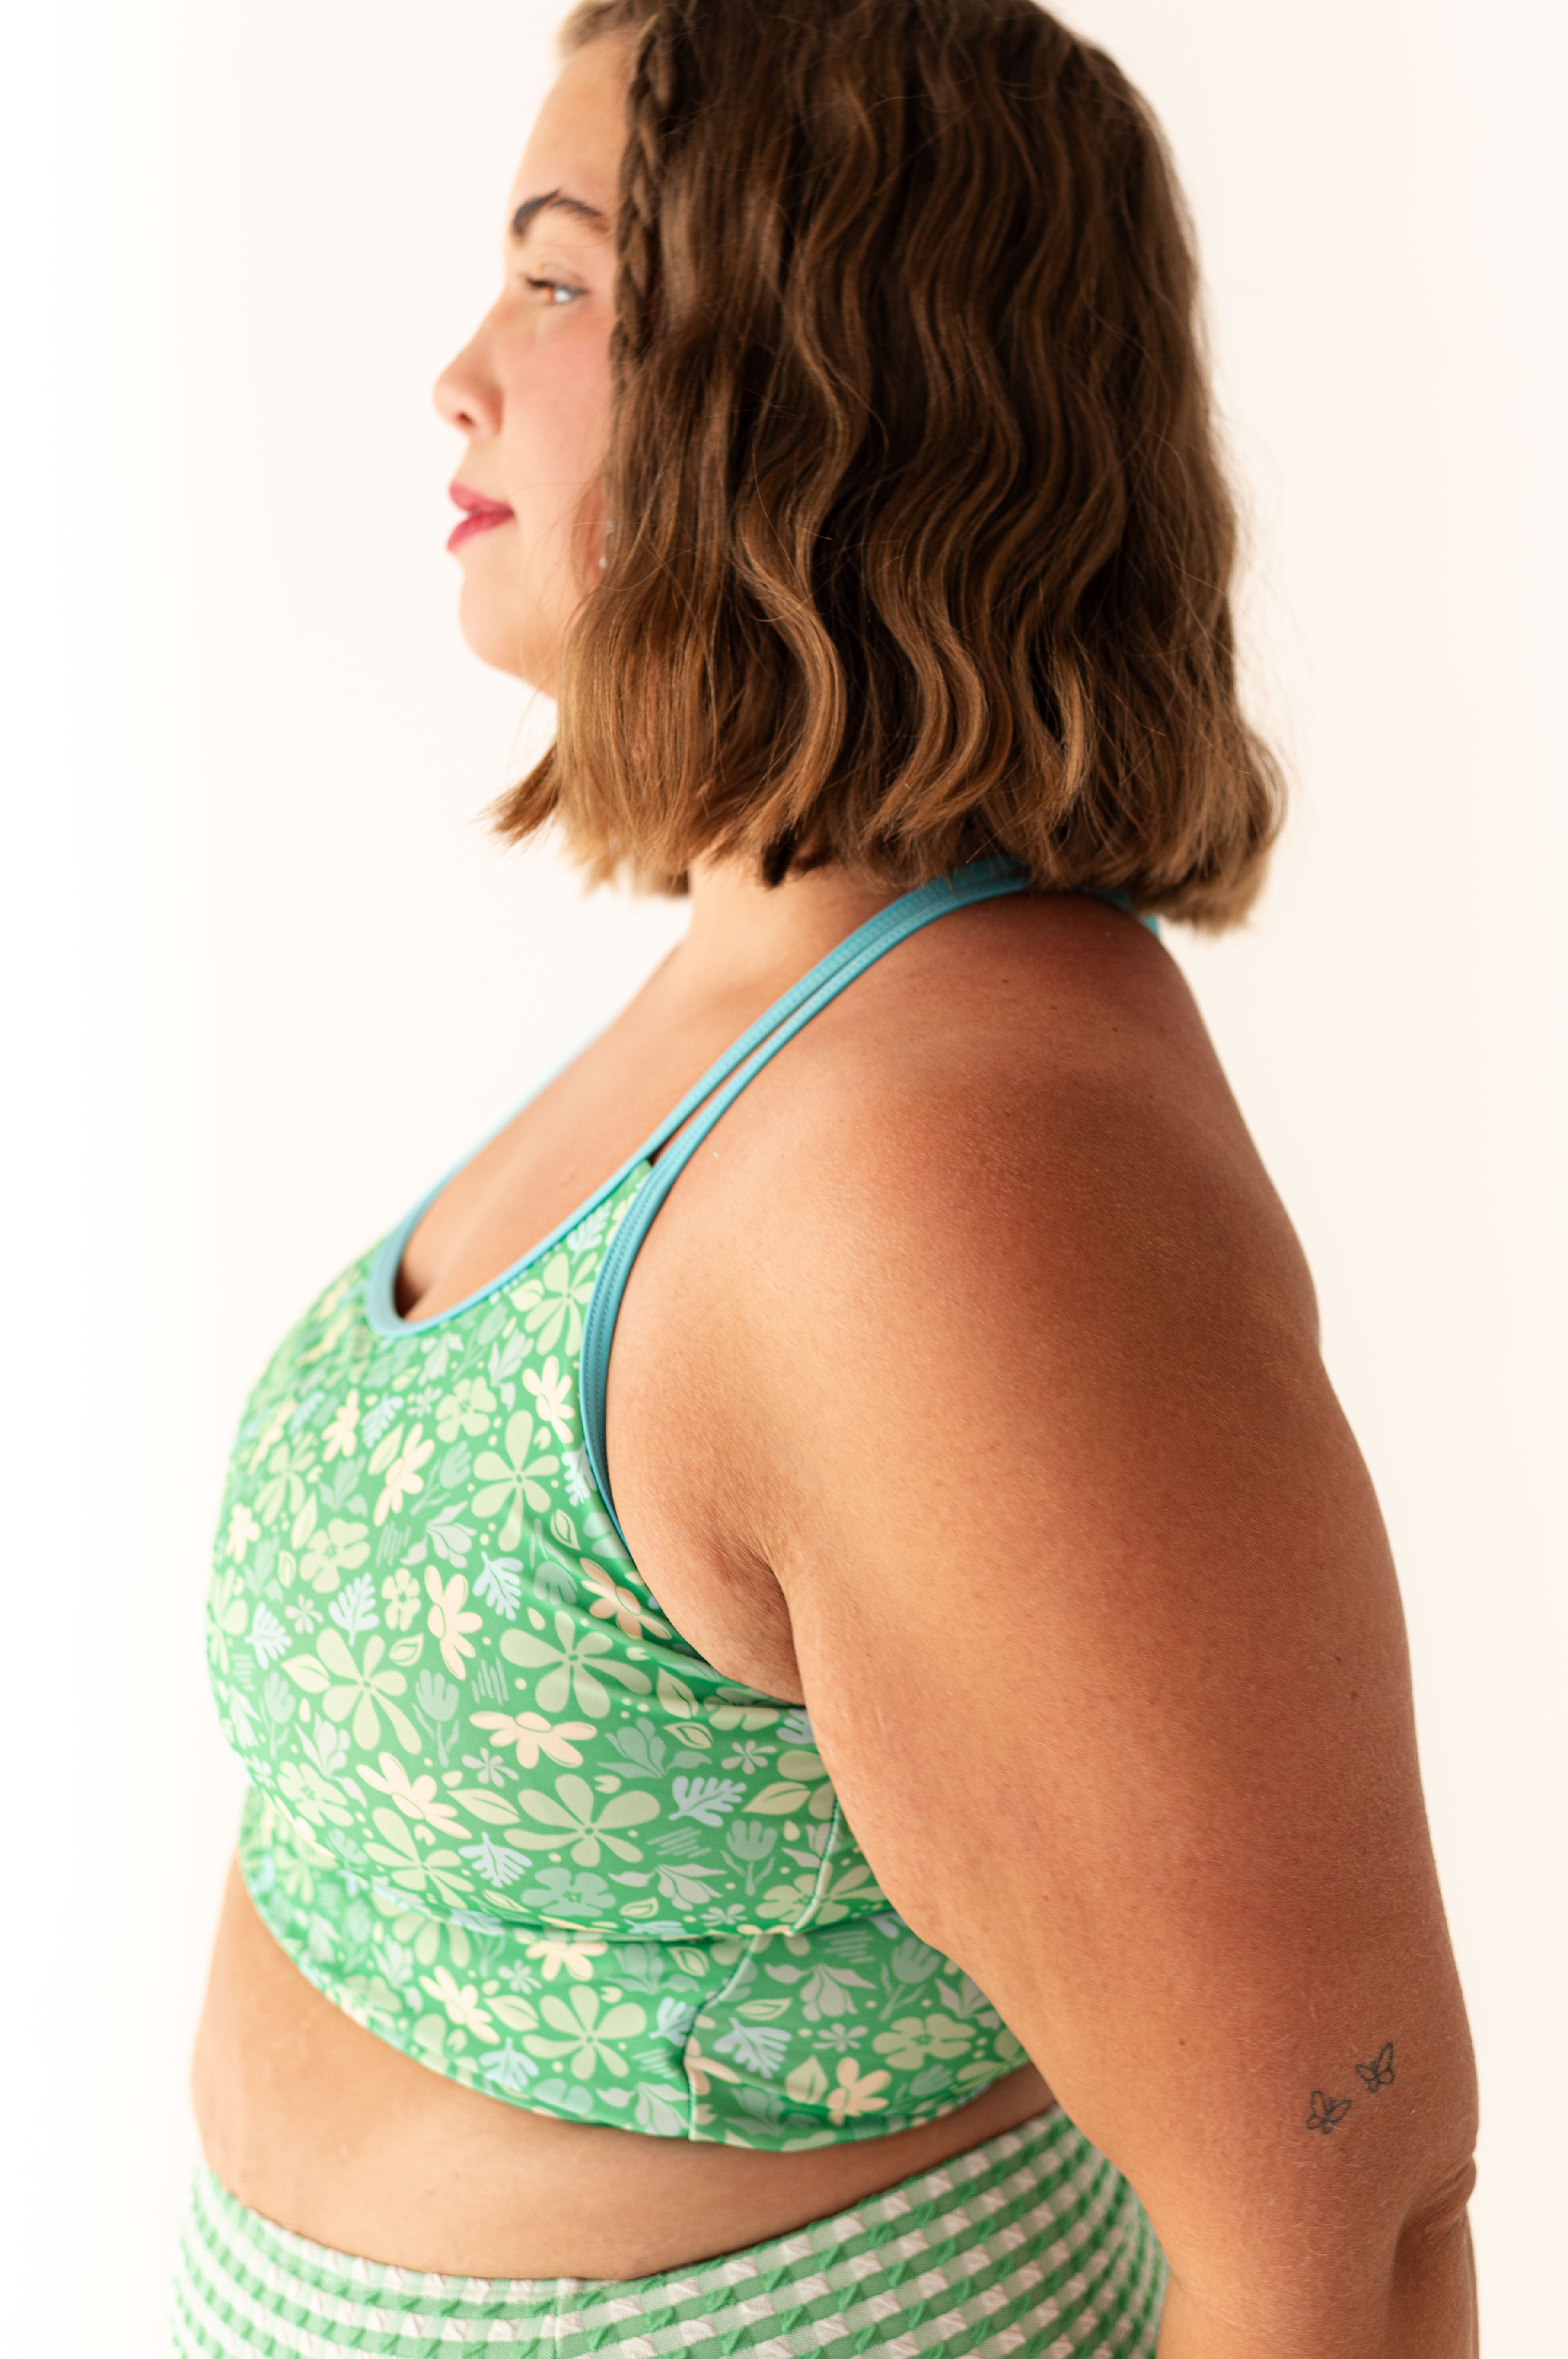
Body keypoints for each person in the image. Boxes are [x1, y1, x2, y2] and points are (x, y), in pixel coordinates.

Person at [179, 3, 1479, 2353]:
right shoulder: (768, 1008)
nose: (462, 376)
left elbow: (1342, 2219)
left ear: (820, 380)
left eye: (560, 281)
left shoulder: (955, 1161)